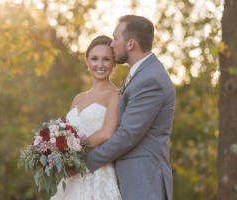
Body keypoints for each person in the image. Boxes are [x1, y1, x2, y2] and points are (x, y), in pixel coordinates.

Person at [85, 15, 175, 200]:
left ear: (131, 44)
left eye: (116, 38)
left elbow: (127, 135)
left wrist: (85, 161)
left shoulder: (150, 80)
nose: (112, 44)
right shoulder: (141, 75)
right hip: (133, 180)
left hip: (143, 182)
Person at [50, 35, 122, 200]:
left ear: (113, 63)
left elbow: (106, 134)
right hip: (73, 175)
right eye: (94, 59)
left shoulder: (115, 95)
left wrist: (72, 150)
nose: (100, 64)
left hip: (98, 173)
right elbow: (66, 133)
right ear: (87, 62)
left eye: (106, 59)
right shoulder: (78, 98)